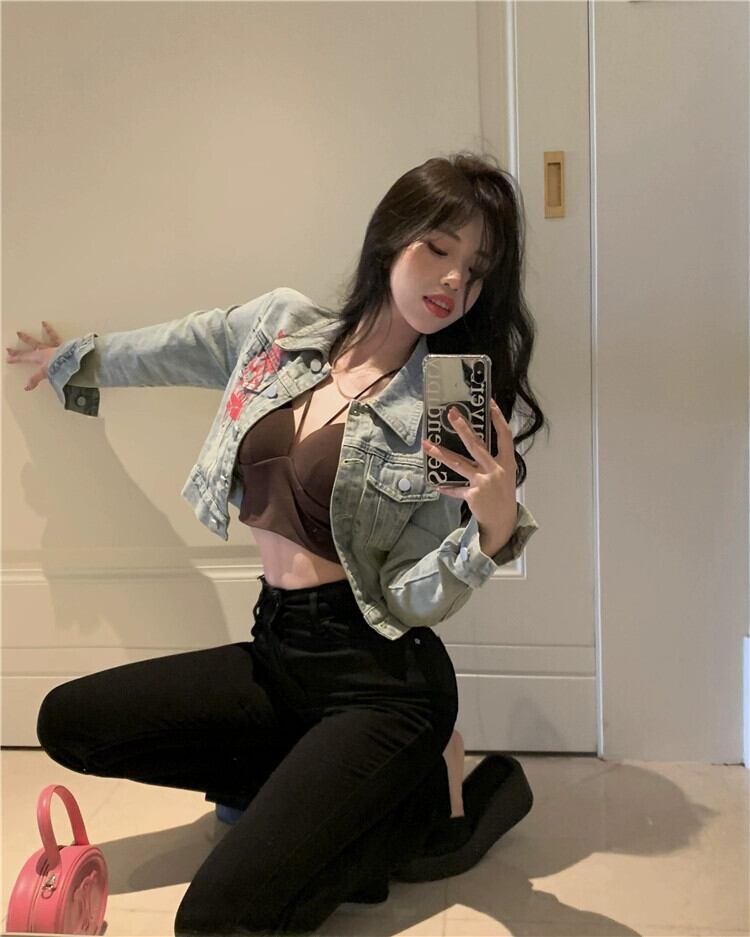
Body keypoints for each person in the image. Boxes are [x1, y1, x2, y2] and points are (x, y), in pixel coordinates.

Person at [7, 151, 545, 936]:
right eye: (438, 246)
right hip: (278, 651)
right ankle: (346, 792)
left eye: (478, 268)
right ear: (391, 237)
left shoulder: (442, 403)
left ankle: (414, 801)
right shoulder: (281, 327)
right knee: (69, 721)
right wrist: (73, 361)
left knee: (213, 920)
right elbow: (177, 347)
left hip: (382, 680)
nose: (455, 278)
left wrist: (488, 533)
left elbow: (409, 596)